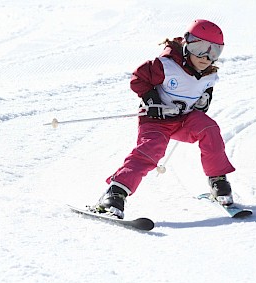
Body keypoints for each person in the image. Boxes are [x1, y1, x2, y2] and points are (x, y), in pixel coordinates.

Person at [93, 19, 236, 219]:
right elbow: (138, 78)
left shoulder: (209, 74)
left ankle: (218, 181)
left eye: (214, 51)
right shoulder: (166, 65)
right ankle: (115, 193)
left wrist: (204, 101)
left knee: (209, 128)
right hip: (156, 120)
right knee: (152, 149)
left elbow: (205, 91)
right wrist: (152, 101)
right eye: (200, 48)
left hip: (184, 120)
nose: (206, 57)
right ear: (187, 43)